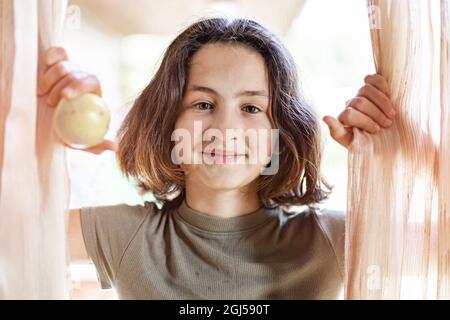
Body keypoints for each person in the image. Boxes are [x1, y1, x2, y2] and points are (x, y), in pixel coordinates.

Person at [38, 17, 396, 299]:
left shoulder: (331, 238)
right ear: (168, 122)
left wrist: (392, 161)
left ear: (280, 134)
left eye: (252, 107)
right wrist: (39, 123)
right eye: (203, 104)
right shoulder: (122, 235)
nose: (225, 128)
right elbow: (13, 231)